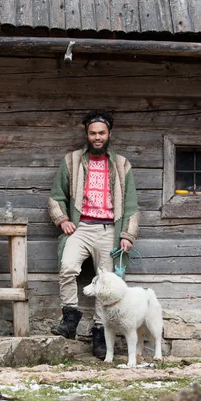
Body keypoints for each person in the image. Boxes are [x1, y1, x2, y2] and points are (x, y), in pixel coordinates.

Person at [47, 110, 140, 358]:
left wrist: (127, 235)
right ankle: (70, 318)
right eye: (92, 133)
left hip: (109, 229)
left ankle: (99, 333)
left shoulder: (121, 165)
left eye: (101, 133)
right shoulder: (72, 161)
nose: (97, 137)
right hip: (81, 227)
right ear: (86, 134)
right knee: (67, 267)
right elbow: (56, 196)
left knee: (106, 282)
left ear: (109, 134)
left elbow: (131, 205)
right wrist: (63, 219)